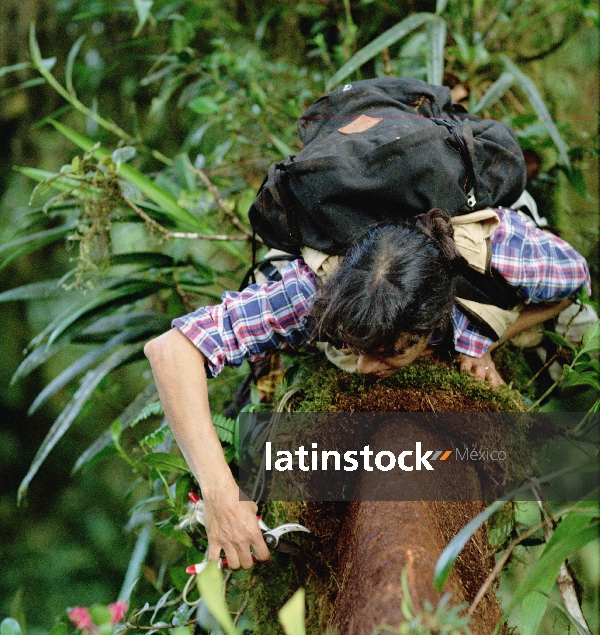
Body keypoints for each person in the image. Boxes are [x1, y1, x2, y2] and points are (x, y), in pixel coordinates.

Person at [144, 207, 591, 570]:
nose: (362, 368)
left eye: (386, 354)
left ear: (431, 327)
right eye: (353, 345)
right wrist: (221, 492)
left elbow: (574, 284)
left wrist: (486, 337)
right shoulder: (311, 290)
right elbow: (170, 350)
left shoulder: (505, 254)